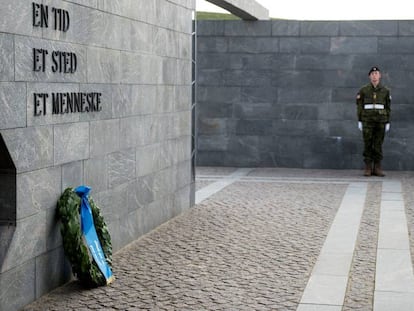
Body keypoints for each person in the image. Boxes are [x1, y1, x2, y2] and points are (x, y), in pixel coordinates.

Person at [356, 66, 391, 177]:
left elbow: (388, 107)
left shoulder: (385, 90)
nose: (374, 76)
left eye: (376, 74)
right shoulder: (364, 90)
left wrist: (388, 121)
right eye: (372, 74)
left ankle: (377, 167)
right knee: (368, 143)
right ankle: (368, 167)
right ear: (369, 76)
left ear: (380, 76)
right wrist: (360, 120)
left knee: (378, 143)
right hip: (367, 121)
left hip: (381, 121)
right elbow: (359, 106)